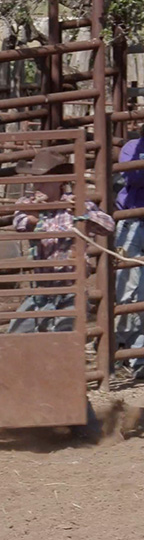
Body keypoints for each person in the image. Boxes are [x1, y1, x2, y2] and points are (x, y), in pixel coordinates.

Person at [8, 150, 114, 334]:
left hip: (71, 288)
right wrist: (36, 213)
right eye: (36, 179)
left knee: (65, 337)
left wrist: (81, 213)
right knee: (16, 334)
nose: (37, 185)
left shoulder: (78, 204)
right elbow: (20, 223)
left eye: (43, 179)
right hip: (40, 288)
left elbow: (108, 226)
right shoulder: (28, 203)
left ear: (59, 180)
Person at [114, 136, 144, 379]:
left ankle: (137, 357)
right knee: (125, 287)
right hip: (131, 221)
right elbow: (133, 176)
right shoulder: (131, 148)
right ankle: (118, 343)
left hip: (134, 222)